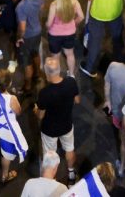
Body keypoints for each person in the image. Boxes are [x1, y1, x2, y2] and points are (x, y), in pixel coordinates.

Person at [35, 55, 79, 184]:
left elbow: (40, 115)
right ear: (59, 70)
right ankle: (71, 173)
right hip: (66, 125)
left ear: (47, 74)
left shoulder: (45, 93)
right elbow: (77, 100)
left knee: (50, 155)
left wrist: (35, 109)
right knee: (69, 149)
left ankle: (50, 180)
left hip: (49, 130)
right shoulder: (71, 83)